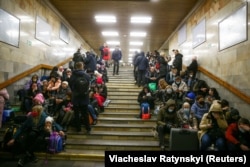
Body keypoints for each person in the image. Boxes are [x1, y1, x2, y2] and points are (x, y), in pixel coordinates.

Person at [69, 62, 91, 133]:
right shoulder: (86, 75)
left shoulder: (73, 75)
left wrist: (75, 91)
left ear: (76, 67)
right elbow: (88, 85)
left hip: (76, 97)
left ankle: (78, 128)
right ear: (82, 66)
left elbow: (70, 85)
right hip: (84, 97)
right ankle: (88, 128)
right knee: (85, 113)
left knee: (76, 113)